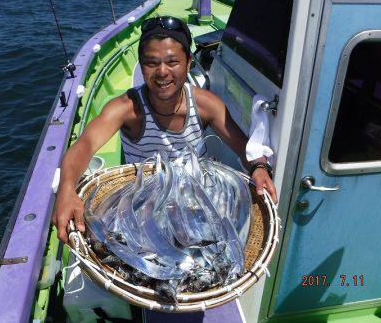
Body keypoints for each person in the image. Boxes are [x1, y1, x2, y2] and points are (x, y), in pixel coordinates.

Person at [53, 16, 277, 242]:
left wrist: (259, 167)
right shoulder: (126, 109)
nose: (162, 72)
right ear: (141, 66)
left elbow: (244, 149)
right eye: (152, 63)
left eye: (172, 62)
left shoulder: (205, 104)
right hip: (144, 206)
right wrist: (67, 188)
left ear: (188, 62)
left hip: (196, 202)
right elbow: (84, 145)